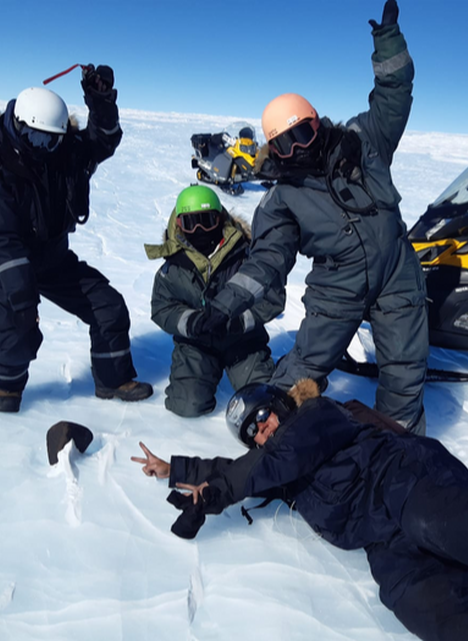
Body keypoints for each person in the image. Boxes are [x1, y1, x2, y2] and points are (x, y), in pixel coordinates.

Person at [132, 380, 468, 641]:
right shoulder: (279, 468)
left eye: (262, 419)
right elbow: (244, 466)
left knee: (445, 519)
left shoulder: (316, 417)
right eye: (252, 434)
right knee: (419, 605)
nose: (261, 433)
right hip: (382, 538)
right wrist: (175, 467)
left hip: (403, 480)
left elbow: (260, 466)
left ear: (282, 405)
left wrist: (216, 494)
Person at [184, 0, 430, 434]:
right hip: (338, 285)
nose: (297, 150)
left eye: (303, 135)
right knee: (305, 366)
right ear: (273, 150)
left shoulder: (362, 140)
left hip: (397, 272)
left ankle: (401, 450)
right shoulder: (281, 200)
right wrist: (224, 306)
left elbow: (395, 94)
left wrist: (387, 41)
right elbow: (266, 262)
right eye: (285, 144)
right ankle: (276, 433)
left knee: (404, 369)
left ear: (316, 124)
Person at [0, 66, 152, 412]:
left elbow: (104, 138)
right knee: (19, 334)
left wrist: (101, 101)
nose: (43, 147)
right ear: (18, 127)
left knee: (107, 306)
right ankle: (5, 393)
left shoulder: (62, 152)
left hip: (51, 257)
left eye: (51, 139)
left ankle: (112, 381)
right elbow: (2, 241)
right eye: (35, 138)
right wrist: (24, 303)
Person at [144, 185, 285, 417]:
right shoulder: (173, 266)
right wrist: (192, 323)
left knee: (263, 402)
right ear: (179, 225)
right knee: (186, 407)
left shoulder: (246, 254)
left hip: (243, 342)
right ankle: (203, 374)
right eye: (191, 223)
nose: (200, 229)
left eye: (207, 220)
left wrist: (238, 323)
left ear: (220, 218)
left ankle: (285, 370)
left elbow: (272, 297)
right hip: (197, 343)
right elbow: (161, 307)